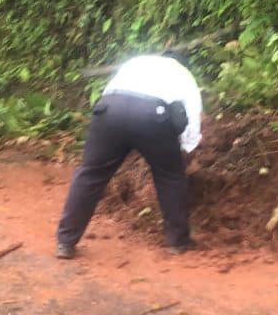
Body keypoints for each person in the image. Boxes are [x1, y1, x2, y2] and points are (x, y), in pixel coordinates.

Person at [54, 52, 202, 259]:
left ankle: (65, 242)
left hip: (108, 111)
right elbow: (193, 115)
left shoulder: (135, 63)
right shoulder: (183, 74)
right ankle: (177, 241)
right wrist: (186, 148)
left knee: (90, 174)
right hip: (152, 114)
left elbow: (111, 92)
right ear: (181, 62)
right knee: (170, 177)